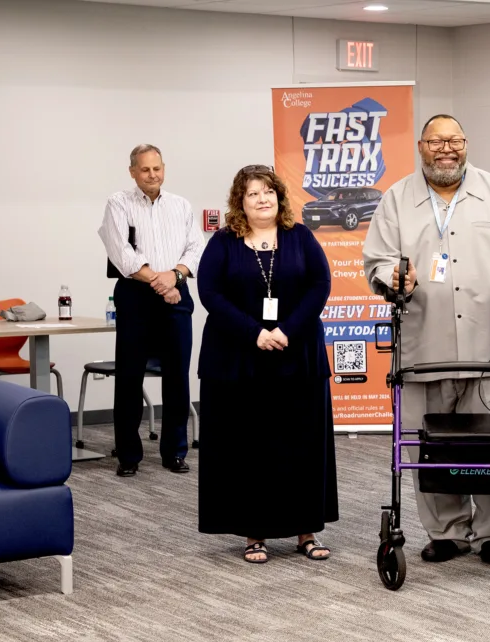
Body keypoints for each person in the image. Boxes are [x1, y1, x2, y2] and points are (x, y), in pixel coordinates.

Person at [363, 114, 490, 567]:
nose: (447, 149)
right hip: (425, 347)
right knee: (432, 443)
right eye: (437, 141)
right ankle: (446, 532)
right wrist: (394, 277)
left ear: (466, 144)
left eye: (456, 140)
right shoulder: (396, 199)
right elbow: (377, 261)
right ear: (421, 146)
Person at [196, 165, 338, 564]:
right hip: (239, 359)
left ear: (279, 197)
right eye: (253, 193)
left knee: (300, 445)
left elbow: (320, 285)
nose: (262, 199)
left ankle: (305, 531)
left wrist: (287, 330)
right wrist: (254, 333)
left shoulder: (300, 237)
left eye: (269, 192)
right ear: (240, 201)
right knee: (248, 447)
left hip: (298, 357)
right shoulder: (224, 242)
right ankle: (253, 533)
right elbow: (210, 292)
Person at [98, 144, 205, 478]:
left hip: (177, 292)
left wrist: (174, 276)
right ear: (133, 171)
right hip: (136, 295)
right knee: (129, 377)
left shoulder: (181, 205)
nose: (152, 175)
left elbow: (195, 247)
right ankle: (129, 456)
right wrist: (160, 283)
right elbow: (121, 253)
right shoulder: (118, 203)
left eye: (157, 168)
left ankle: (174, 452)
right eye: (145, 170)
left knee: (177, 377)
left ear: (164, 168)